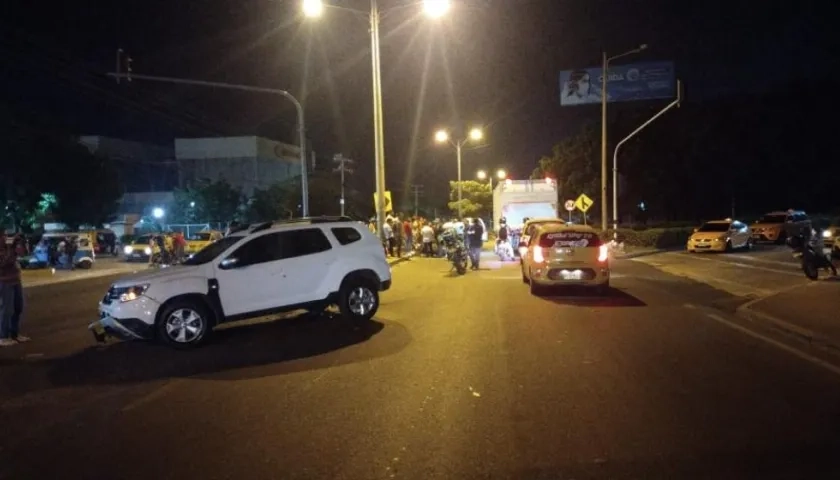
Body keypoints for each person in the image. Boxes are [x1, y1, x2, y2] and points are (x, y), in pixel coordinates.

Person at [0, 231, 27, 346]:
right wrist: (11, 249)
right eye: (3, 236)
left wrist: (21, 243)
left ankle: (14, 334)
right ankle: (3, 336)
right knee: (7, 309)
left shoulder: (9, 247)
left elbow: (23, 254)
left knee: (18, 307)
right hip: (4, 282)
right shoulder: (4, 250)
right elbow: (4, 263)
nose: (5, 238)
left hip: (15, 280)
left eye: (5, 235)